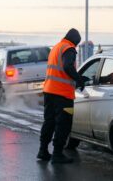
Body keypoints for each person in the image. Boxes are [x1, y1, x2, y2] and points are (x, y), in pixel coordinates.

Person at [37, 28, 88, 164]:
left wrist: (76, 78)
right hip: (63, 95)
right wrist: (79, 79)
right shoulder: (69, 48)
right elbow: (67, 67)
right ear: (75, 41)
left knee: (49, 122)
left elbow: (60, 71)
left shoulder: (56, 48)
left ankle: (43, 150)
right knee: (63, 124)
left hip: (49, 91)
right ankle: (58, 154)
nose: (76, 46)